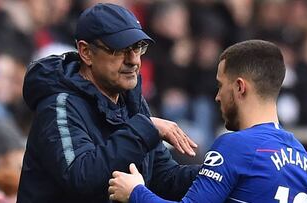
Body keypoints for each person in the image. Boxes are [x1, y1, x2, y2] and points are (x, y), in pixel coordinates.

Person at [17, 3, 200, 203]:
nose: (134, 60)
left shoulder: (131, 100)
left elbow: (163, 178)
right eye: (120, 50)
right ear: (86, 52)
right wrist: (144, 129)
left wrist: (217, 171)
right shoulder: (59, 105)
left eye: (138, 48)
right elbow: (81, 177)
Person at [108, 40, 307, 203]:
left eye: (220, 85)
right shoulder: (304, 161)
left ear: (239, 87)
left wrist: (135, 192)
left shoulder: (236, 145)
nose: (217, 96)